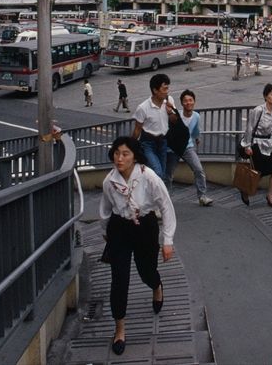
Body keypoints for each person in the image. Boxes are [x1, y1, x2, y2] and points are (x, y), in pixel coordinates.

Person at [99, 136, 175, 355]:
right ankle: (119, 329)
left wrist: (167, 240)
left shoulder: (147, 176)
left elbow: (166, 207)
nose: (119, 158)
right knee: (119, 279)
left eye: (125, 154)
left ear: (134, 157)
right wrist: (106, 233)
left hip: (145, 226)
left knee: (146, 271)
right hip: (119, 229)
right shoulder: (109, 181)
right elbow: (105, 210)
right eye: (116, 153)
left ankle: (157, 286)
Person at [240, 83, 272, 208]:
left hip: (270, 144)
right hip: (257, 145)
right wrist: (247, 146)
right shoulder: (258, 110)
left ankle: (270, 196)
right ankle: (246, 191)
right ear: (266, 96)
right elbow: (249, 128)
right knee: (257, 174)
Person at [165, 89, 213, 206]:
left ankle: (202, 196)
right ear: (181, 103)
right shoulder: (176, 115)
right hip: (173, 149)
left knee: (198, 169)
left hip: (187, 147)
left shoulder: (196, 116)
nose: (188, 103)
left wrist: (197, 137)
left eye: (190, 100)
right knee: (168, 174)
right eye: (185, 101)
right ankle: (166, 199)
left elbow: (196, 130)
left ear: (194, 102)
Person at [132, 73, 173, 178]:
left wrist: (171, 111)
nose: (167, 92)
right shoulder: (143, 107)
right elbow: (137, 130)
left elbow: (175, 121)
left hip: (163, 142)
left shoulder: (168, 102)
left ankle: (155, 194)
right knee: (157, 172)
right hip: (148, 143)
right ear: (155, 90)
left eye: (167, 88)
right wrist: (131, 147)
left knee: (162, 174)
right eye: (164, 89)